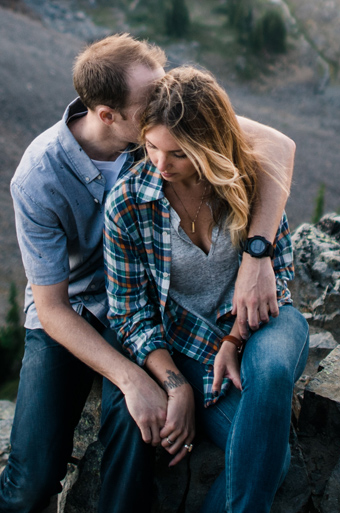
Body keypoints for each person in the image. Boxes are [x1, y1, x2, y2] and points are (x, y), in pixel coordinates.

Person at [0, 36, 295, 513]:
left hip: (150, 306)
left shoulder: (164, 131)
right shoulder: (39, 176)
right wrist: (137, 379)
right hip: (79, 311)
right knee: (33, 475)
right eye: (150, 102)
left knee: (135, 435)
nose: (164, 103)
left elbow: (275, 145)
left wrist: (258, 256)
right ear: (108, 116)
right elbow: (51, 309)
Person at [105, 66, 309, 513]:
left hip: (263, 325)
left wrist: (236, 339)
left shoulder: (250, 179)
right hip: (190, 350)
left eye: (177, 154)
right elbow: (130, 314)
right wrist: (175, 385)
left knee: (272, 372)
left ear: (209, 146)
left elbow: (280, 269)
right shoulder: (127, 203)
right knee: (269, 459)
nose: (160, 164)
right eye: (152, 147)